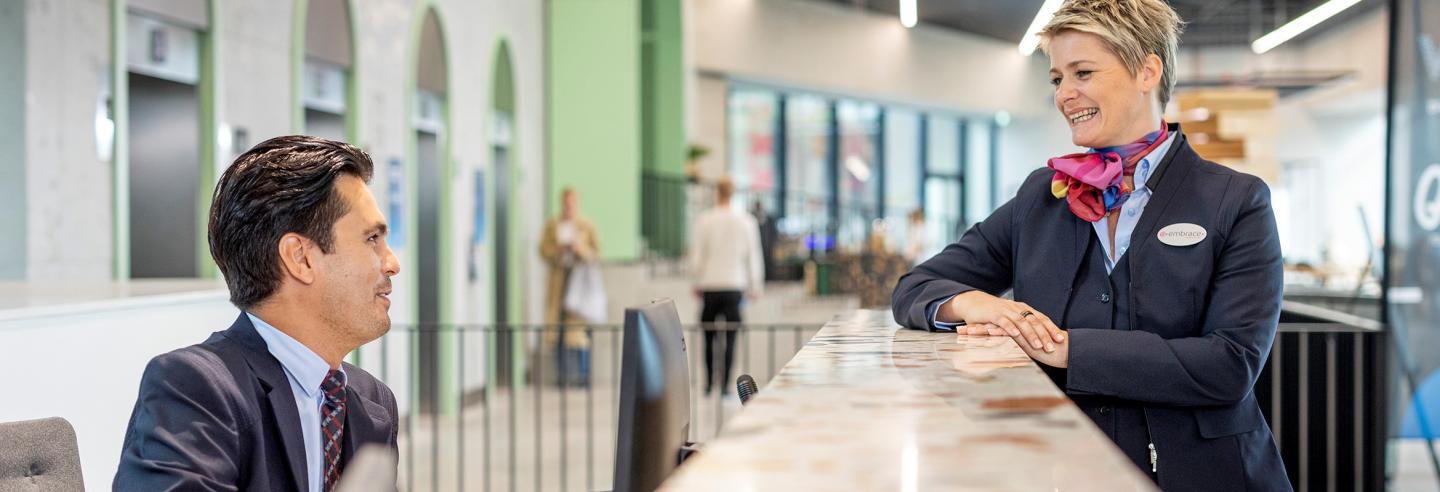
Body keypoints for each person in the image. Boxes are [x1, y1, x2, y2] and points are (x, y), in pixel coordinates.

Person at [890, 1, 1290, 490]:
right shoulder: (1042, 195)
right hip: (1068, 470)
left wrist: (1064, 349)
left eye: (1083, 72)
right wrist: (975, 304)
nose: (1065, 95)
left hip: (1209, 474)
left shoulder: (1236, 200)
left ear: (1147, 70)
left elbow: (1230, 365)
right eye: (1057, 78)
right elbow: (916, 286)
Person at [114, 136, 401, 491]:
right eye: (372, 239)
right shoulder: (196, 387)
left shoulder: (372, 401)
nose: (392, 263)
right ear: (301, 258)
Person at [690, 177, 765, 396]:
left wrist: (696, 280)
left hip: (710, 284)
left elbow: (697, 255)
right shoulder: (746, 221)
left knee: (708, 337)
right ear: (733, 193)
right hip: (734, 284)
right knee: (731, 337)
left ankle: (708, 383)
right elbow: (753, 256)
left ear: (717, 193)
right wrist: (755, 285)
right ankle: (725, 386)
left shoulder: (704, 220)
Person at [539, 187, 601, 386]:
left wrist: (579, 250)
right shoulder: (552, 226)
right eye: (566, 203)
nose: (568, 207)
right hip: (559, 283)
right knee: (558, 331)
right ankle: (562, 376)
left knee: (580, 332)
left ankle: (583, 375)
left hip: (579, 284)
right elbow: (543, 250)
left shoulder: (586, 226)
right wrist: (558, 250)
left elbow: (596, 253)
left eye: (572, 203)